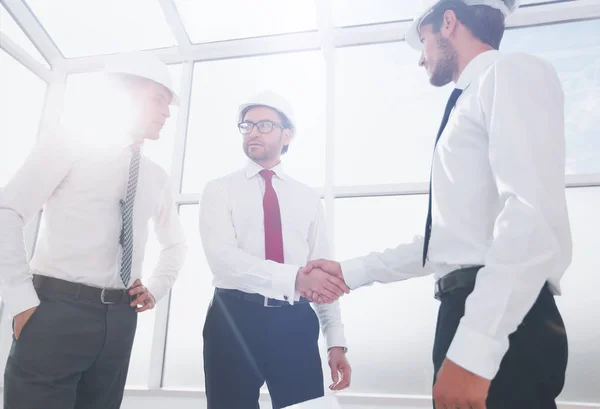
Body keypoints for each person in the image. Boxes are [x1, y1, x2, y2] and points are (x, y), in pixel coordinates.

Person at [303, 1, 572, 408]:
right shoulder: (471, 99)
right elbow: (445, 243)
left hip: (501, 320)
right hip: (472, 310)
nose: (420, 60)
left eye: (423, 41)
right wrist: (350, 271)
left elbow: (530, 219)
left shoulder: (511, 74)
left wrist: (475, 350)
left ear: (449, 22)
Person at [0, 52, 187, 409]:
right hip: (55, 311)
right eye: (158, 100)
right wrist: (21, 299)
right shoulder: (69, 142)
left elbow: (176, 244)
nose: (166, 112)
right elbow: (7, 211)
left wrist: (156, 288)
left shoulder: (156, 177)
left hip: (120, 319)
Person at [199, 91, 351, 409]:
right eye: (247, 125)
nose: (253, 131)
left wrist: (335, 340)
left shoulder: (307, 198)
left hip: (294, 321)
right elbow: (223, 261)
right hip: (232, 320)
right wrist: (295, 278)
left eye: (264, 125)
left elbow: (320, 271)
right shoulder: (219, 189)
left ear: (287, 135)